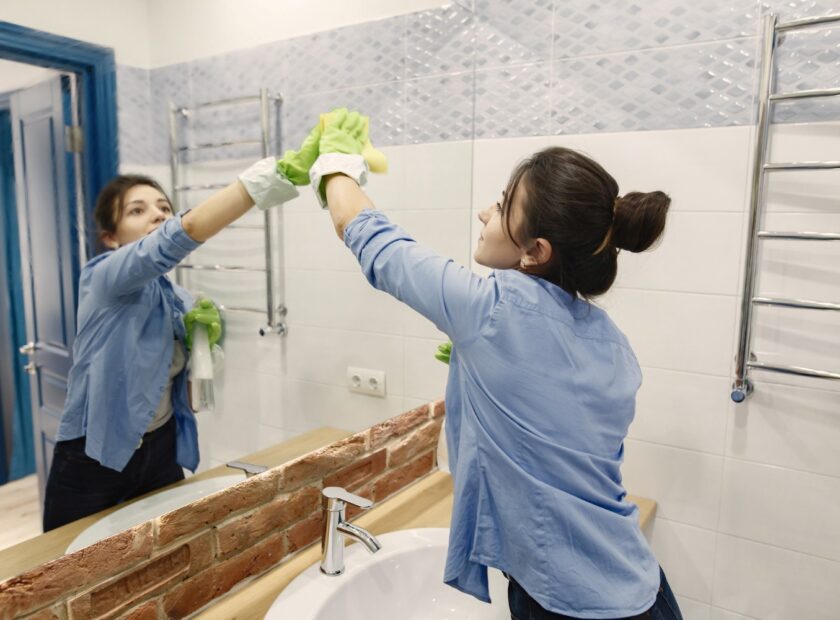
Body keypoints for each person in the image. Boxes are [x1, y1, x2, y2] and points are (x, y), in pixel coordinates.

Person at [304, 109, 683, 619]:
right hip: (644, 589)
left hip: (569, 607)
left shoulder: (491, 310)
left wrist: (334, 163)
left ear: (535, 251)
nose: (485, 212)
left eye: (503, 205)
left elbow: (370, 238)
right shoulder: (614, 343)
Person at [42, 153, 307, 532]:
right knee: (65, 571)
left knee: (166, 549)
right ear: (111, 238)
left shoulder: (177, 297)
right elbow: (179, 235)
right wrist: (259, 183)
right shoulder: (103, 279)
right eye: (137, 210)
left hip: (160, 446)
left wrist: (206, 344)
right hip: (94, 454)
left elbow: (177, 377)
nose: (157, 215)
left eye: (164, 207)